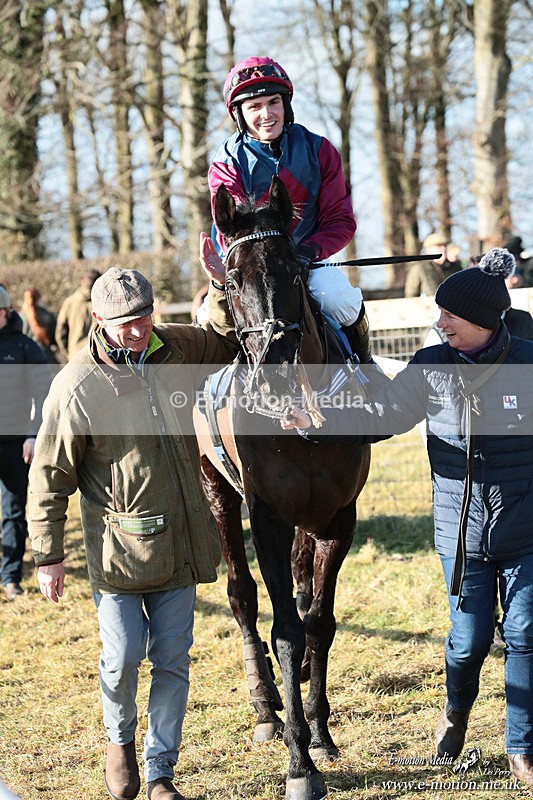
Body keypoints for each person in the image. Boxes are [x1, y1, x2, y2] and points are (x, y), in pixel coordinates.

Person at [281, 248, 533, 790]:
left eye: (450, 315)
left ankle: (521, 746)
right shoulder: (431, 366)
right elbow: (381, 413)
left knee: (526, 633)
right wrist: (318, 422)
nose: (439, 322)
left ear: (484, 321)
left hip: (526, 530)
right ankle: (455, 713)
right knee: (469, 641)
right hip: (461, 534)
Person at [28, 263, 236, 800]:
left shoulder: (176, 348)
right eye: (125, 323)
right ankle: (118, 741)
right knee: (121, 660)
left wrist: (218, 286)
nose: (138, 330)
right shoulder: (76, 387)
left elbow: (221, 338)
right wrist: (48, 555)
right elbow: (49, 474)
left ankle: (161, 771)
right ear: (98, 319)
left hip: (181, 542)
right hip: (118, 552)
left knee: (173, 662)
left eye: (145, 317)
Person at [199, 55, 373, 363]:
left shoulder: (320, 151)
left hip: (308, 260)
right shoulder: (227, 164)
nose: (266, 114)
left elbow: (341, 221)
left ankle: (367, 368)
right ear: (239, 113)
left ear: (286, 105)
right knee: (205, 319)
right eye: (254, 106)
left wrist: (305, 253)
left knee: (339, 298)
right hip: (249, 268)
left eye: (273, 102)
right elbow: (233, 228)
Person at [0, 286, 49, 602]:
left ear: (6, 312)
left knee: (14, 511)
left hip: (16, 442)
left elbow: (43, 394)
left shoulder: (25, 348)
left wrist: (33, 434)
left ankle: (11, 577)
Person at [55, 268, 101, 362]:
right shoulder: (102, 303)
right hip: (98, 355)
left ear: (82, 281)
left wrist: (67, 352)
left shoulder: (69, 302)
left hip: (75, 354)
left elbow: (60, 332)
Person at [404, 231, 463, 297]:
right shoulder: (420, 268)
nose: (443, 248)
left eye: (444, 245)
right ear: (429, 249)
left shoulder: (455, 267)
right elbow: (411, 294)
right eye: (438, 246)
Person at [19, 287, 59, 364]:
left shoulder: (19, 318)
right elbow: (55, 338)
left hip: (27, 359)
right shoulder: (48, 315)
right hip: (47, 357)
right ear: (39, 299)